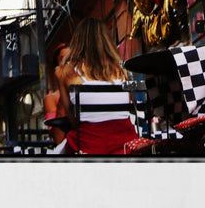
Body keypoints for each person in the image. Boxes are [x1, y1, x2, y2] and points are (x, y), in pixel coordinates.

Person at [58, 17, 138, 155]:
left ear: (77, 41)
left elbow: (73, 120)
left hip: (89, 148)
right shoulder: (122, 71)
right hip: (126, 147)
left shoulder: (65, 73)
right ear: (106, 41)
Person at [42, 44, 73, 146]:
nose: (68, 63)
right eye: (63, 59)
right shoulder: (51, 98)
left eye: (71, 58)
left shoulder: (83, 85)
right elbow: (57, 137)